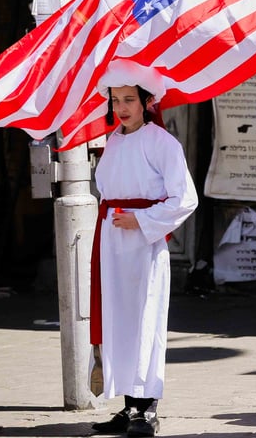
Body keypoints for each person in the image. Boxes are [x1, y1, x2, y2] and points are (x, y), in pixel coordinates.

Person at [89, 60, 198, 438]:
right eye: (116, 99)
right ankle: (127, 405)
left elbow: (186, 199)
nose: (121, 107)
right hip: (112, 242)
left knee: (145, 319)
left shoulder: (161, 142)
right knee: (117, 319)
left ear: (146, 101)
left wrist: (142, 221)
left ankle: (147, 407)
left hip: (143, 244)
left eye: (129, 100)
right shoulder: (114, 140)